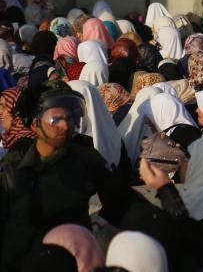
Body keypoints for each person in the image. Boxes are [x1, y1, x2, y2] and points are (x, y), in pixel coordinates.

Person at [0, 87, 141, 269]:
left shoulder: (84, 157)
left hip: (74, 259)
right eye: (55, 119)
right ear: (35, 124)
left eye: (69, 118)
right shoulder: (14, 165)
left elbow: (121, 200)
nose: (65, 126)